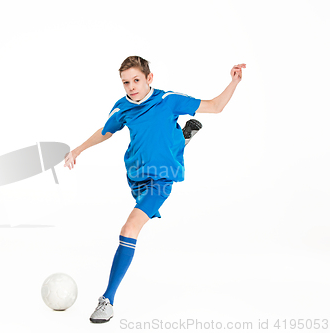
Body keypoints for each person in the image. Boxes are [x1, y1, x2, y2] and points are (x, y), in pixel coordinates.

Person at [63, 56, 246, 323]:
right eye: (126, 82)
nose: (131, 87)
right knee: (165, 144)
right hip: (136, 175)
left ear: (149, 78)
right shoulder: (122, 108)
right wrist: (78, 149)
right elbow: (106, 131)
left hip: (160, 181)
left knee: (129, 229)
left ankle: (107, 300)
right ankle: (180, 139)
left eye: (136, 80)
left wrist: (233, 82)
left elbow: (216, 106)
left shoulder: (169, 100)